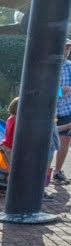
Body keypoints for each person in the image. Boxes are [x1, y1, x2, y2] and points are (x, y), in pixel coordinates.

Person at [54, 39, 71, 183]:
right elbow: (45, 90)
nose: (66, 50)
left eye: (68, 48)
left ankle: (58, 171)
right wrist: (60, 92)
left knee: (65, 140)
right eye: (64, 48)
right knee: (45, 143)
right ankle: (42, 172)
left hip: (66, 110)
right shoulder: (50, 66)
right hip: (50, 110)